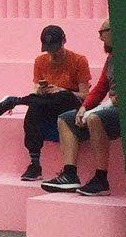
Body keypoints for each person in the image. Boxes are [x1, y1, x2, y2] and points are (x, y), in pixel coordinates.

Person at [0, 25, 91, 182]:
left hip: (69, 101)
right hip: (46, 102)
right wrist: (43, 90)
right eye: (48, 49)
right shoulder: (40, 61)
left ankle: (16, 101)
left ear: (64, 41)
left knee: (61, 96)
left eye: (55, 49)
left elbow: (84, 96)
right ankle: (34, 163)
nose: (52, 53)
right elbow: (36, 88)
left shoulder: (79, 60)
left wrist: (60, 89)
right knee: (35, 108)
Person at [42, 18, 120, 196]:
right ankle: (69, 174)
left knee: (95, 118)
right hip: (109, 107)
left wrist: (97, 109)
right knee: (65, 119)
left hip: (122, 110)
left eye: (103, 33)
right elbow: (100, 88)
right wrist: (84, 107)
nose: (101, 39)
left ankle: (101, 179)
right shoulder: (111, 59)